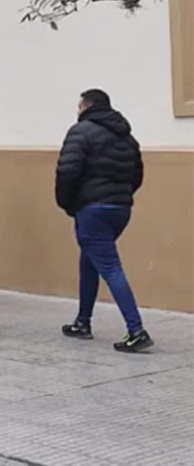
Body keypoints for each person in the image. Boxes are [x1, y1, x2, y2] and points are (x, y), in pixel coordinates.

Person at [55, 89, 152, 352]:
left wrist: (67, 203)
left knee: (109, 266)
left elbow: (67, 172)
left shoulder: (81, 131)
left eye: (79, 105)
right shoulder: (127, 137)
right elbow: (137, 174)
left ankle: (136, 330)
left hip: (92, 209)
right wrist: (121, 196)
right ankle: (82, 322)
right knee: (89, 262)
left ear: (86, 106)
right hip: (120, 209)